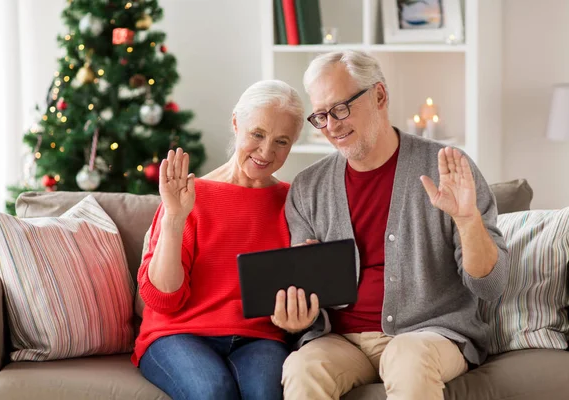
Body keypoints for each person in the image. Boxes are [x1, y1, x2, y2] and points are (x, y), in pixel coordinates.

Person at [271, 50, 510, 400]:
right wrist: (298, 317)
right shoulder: (308, 188)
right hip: (341, 341)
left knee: (406, 356)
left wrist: (467, 220)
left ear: (379, 95)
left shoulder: (447, 168)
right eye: (321, 116)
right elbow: (308, 303)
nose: (332, 126)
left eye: (341, 108)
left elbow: (491, 286)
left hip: (431, 335)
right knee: (301, 367)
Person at [132, 80, 307, 400]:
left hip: (259, 337)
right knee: (213, 391)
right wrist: (174, 218)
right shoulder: (189, 196)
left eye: (281, 141)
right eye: (257, 134)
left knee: (267, 393)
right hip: (178, 334)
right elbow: (162, 300)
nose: (267, 151)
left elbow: (301, 291)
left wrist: (302, 310)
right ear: (236, 123)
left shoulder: (293, 202)